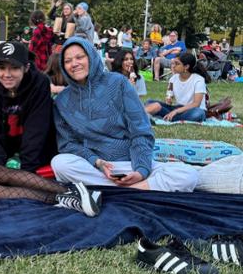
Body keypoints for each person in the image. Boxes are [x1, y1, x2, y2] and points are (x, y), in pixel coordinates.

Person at [51, 37, 199, 192]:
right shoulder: (62, 101)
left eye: (80, 57)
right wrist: (97, 162)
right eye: (68, 61)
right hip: (96, 167)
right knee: (60, 163)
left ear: (91, 57)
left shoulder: (118, 83)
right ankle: (136, 190)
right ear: (62, 65)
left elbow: (141, 130)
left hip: (131, 162)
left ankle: (123, 190)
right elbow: (68, 144)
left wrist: (141, 171)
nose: (74, 64)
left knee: (187, 175)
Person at [0, 41, 58, 172]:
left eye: (14, 68)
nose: (7, 74)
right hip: (7, 148)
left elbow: (37, 129)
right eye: (2, 68)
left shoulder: (39, 85)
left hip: (38, 150)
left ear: (26, 68)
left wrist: (26, 171)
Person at [145, 53, 209, 122]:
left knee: (198, 114)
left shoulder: (198, 80)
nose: (173, 66)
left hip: (192, 109)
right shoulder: (173, 79)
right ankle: (170, 116)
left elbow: (196, 104)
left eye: (177, 64)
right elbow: (169, 95)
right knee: (150, 102)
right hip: (178, 108)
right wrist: (168, 99)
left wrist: (176, 112)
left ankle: (168, 116)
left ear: (186, 66)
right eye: (173, 63)